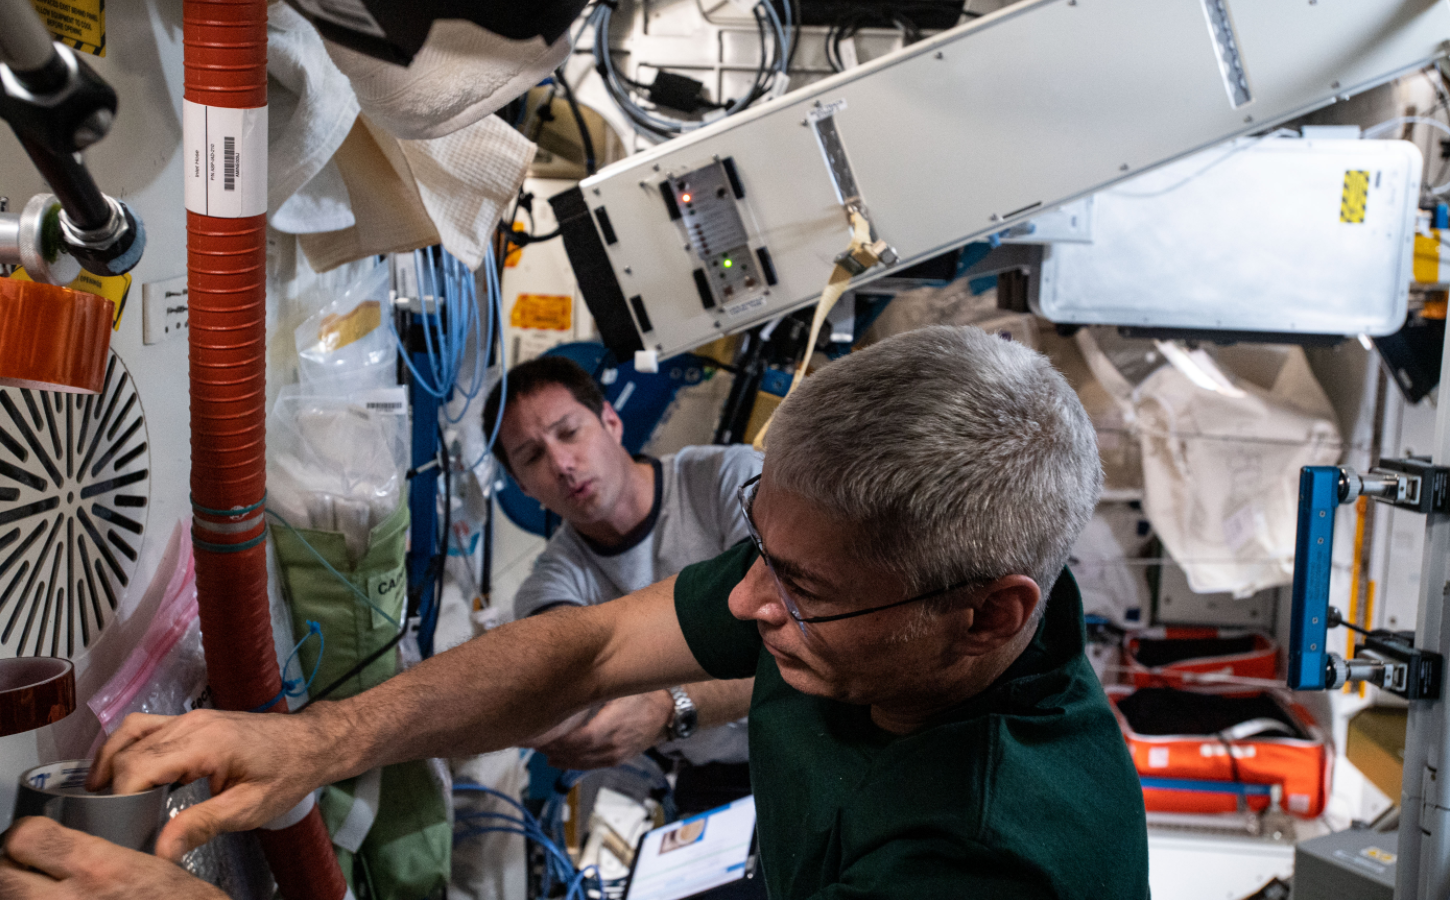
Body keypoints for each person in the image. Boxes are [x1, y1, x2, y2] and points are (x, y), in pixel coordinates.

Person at [16, 325, 1149, 899]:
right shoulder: (856, 601)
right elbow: (599, 642)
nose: (748, 602)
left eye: (801, 591)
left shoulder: (991, 858)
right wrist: (317, 741)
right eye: (761, 554)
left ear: (987, 616)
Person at [483, 356, 759, 802]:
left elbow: (800, 642)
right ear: (522, 487)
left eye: (569, 432)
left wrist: (668, 706)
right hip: (719, 780)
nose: (561, 463)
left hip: (826, 738)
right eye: (532, 456)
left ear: (611, 421)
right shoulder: (553, 585)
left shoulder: (731, 482)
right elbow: (567, 683)